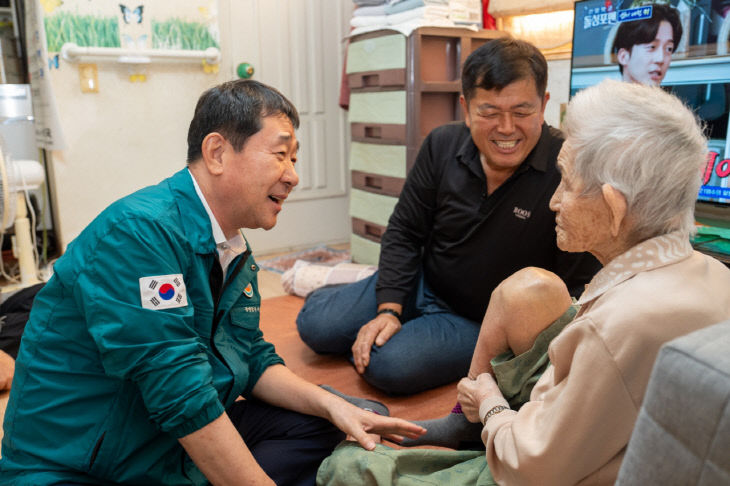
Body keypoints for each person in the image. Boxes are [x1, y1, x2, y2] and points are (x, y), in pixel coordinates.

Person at [0, 79, 424, 486]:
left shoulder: (232, 246)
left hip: (162, 446)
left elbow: (251, 357)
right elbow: (177, 390)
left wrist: (335, 405)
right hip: (78, 465)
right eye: (281, 154)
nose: (293, 175)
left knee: (345, 417)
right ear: (217, 152)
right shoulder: (137, 233)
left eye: (294, 158)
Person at [316, 79, 730, 486]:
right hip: (443, 303)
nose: (554, 200)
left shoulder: (613, 328)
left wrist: (489, 401)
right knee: (526, 288)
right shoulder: (716, 274)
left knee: (347, 465)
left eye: (566, 183)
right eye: (489, 111)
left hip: (538, 466)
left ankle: (470, 425)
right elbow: (403, 231)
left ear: (614, 207)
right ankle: (464, 426)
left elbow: (528, 469)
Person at [296, 37, 601, 396]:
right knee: (316, 324)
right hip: (423, 281)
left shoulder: (566, 168)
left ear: (544, 105)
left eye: (521, 112)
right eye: (489, 112)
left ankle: (387, 326)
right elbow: (405, 231)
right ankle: (373, 301)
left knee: (390, 366)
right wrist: (389, 309)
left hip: (476, 320)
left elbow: (576, 285)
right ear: (466, 108)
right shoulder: (442, 144)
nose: (506, 128)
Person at [612, 3, 682, 85]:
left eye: (669, 49)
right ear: (623, 57)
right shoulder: (602, 97)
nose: (660, 59)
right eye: (652, 47)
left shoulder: (667, 98)